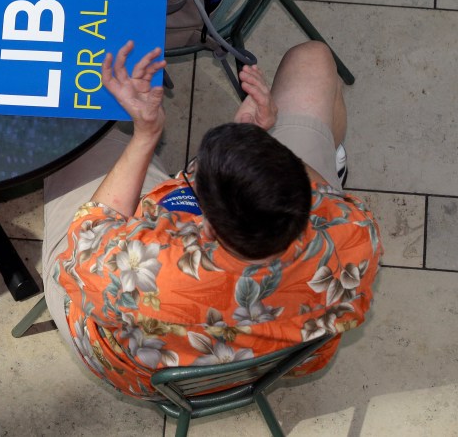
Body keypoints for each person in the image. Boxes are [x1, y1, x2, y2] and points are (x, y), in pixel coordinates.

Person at [42, 39, 382, 399]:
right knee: (312, 58)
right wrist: (258, 144)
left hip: (147, 369)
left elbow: (87, 240)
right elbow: (323, 197)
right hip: (273, 361)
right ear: (305, 197)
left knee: (68, 129)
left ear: (200, 218)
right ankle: (333, 158)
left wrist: (146, 135)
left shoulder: (139, 270)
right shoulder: (354, 233)